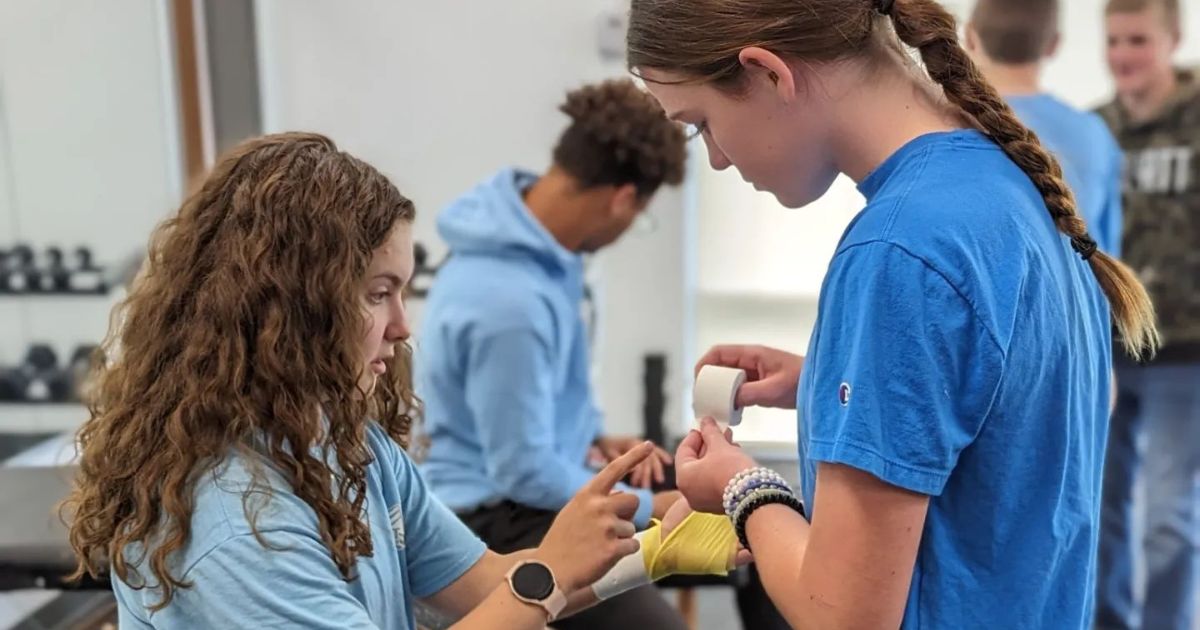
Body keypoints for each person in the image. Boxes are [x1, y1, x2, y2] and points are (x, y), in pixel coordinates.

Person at [625, 0, 1159, 628]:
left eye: (700, 123)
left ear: (768, 72)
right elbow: (1003, 411)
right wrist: (824, 379)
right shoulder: (1002, 189)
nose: (714, 157)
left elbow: (842, 615)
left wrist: (744, 489)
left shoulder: (899, 250)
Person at [60, 133, 729, 629]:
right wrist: (549, 569)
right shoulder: (236, 520)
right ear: (297, 305)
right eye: (379, 293)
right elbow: (529, 579)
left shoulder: (346, 444)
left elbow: (486, 583)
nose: (403, 327)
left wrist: (661, 548)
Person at [417, 78, 780, 629]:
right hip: (499, 516)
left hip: (548, 478)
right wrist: (645, 508)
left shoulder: (548, 252)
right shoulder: (506, 300)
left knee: (754, 517)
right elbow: (520, 469)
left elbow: (528, 409)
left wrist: (586, 437)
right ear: (623, 199)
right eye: (640, 217)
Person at [1093, 1, 1200, 628]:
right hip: (1110, 351)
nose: (1123, 55)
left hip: (1187, 352)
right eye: (1113, 41)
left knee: (1165, 516)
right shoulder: (1093, 131)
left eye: (1137, 40)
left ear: (1172, 40)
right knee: (1102, 508)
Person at [965, 0, 1123, 256]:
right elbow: (1108, 254)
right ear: (1054, 44)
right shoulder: (1095, 134)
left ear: (969, 36)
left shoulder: (947, 124)